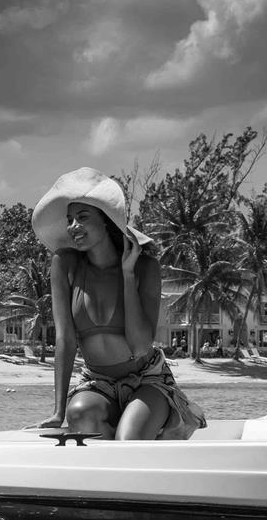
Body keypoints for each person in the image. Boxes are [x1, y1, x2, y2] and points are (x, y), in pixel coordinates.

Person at [30, 167, 204, 441]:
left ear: (106, 222)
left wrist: (127, 275)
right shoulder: (65, 264)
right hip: (96, 382)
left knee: (128, 440)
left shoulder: (145, 267)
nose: (73, 226)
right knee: (80, 415)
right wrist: (58, 411)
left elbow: (139, 346)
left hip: (147, 378)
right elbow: (65, 339)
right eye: (70, 219)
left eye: (83, 217)